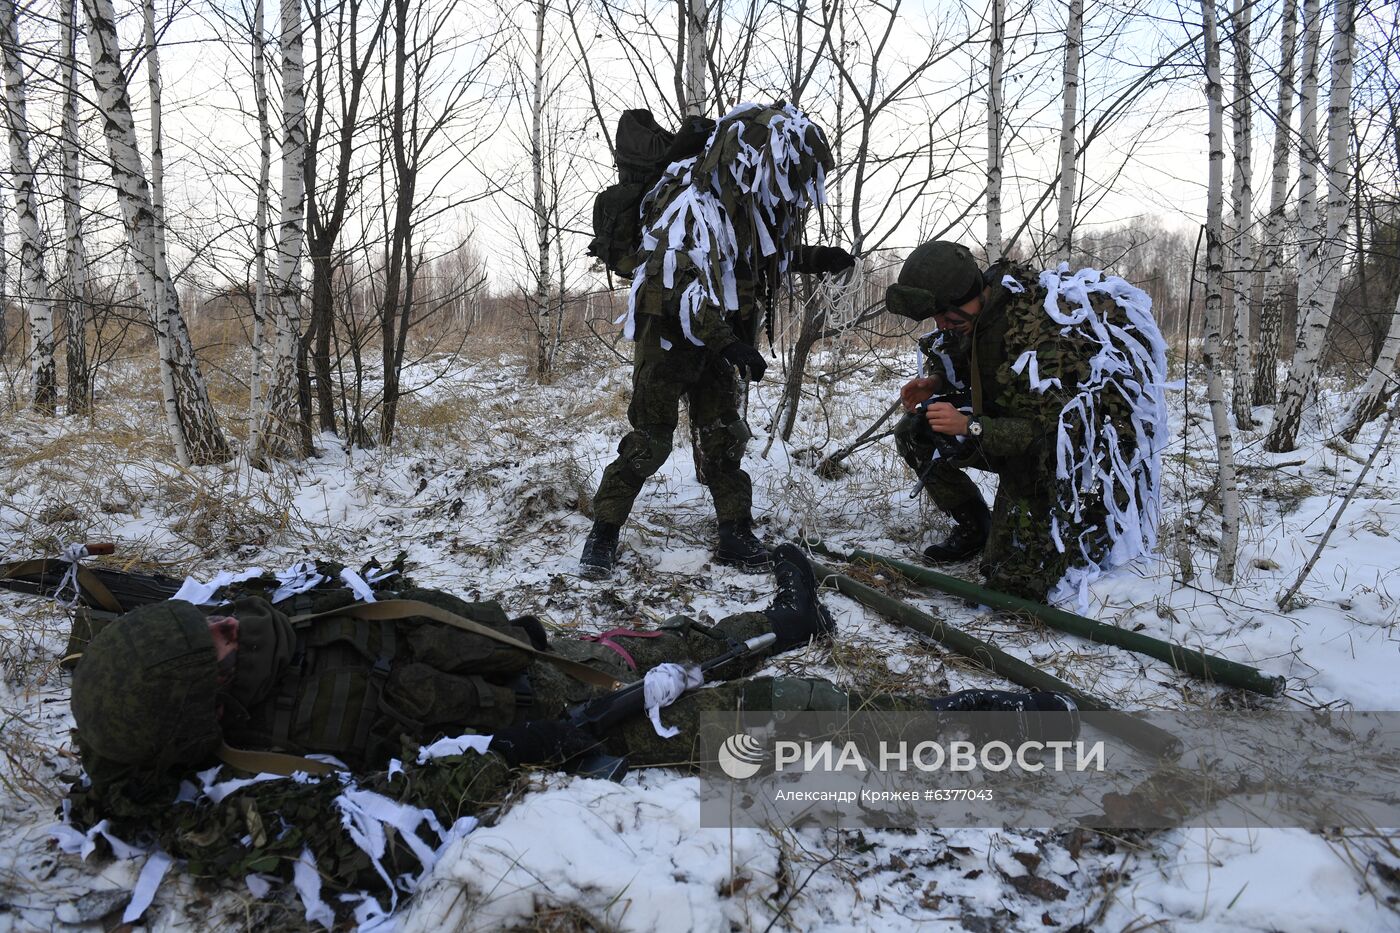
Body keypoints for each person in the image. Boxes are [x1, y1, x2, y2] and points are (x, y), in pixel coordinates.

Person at [65, 546, 1071, 909]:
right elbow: (341, 835)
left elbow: (127, 595)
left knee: (648, 640)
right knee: (755, 730)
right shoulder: (243, 775)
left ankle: (779, 623)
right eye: (216, 644)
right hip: (550, 725)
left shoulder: (226, 625)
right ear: (201, 706)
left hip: (520, 656)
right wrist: (513, 759)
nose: (229, 624)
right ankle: (967, 732)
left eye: (215, 623)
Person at [580, 101, 856, 578]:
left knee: (725, 438)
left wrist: (816, 258)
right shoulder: (691, 206)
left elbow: (755, 262)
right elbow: (676, 286)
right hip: (666, 343)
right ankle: (602, 534)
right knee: (650, 441)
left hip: (716, 343)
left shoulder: (741, 208)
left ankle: (734, 533)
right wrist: (730, 343)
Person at [885, 242, 1168, 604]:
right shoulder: (972, 314)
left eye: (950, 318)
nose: (943, 325)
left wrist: (970, 426)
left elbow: (1047, 436)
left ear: (974, 295)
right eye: (938, 318)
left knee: (1011, 586)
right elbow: (959, 351)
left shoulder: (1039, 331)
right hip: (997, 433)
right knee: (914, 432)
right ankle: (974, 527)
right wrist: (935, 382)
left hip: (1045, 463)